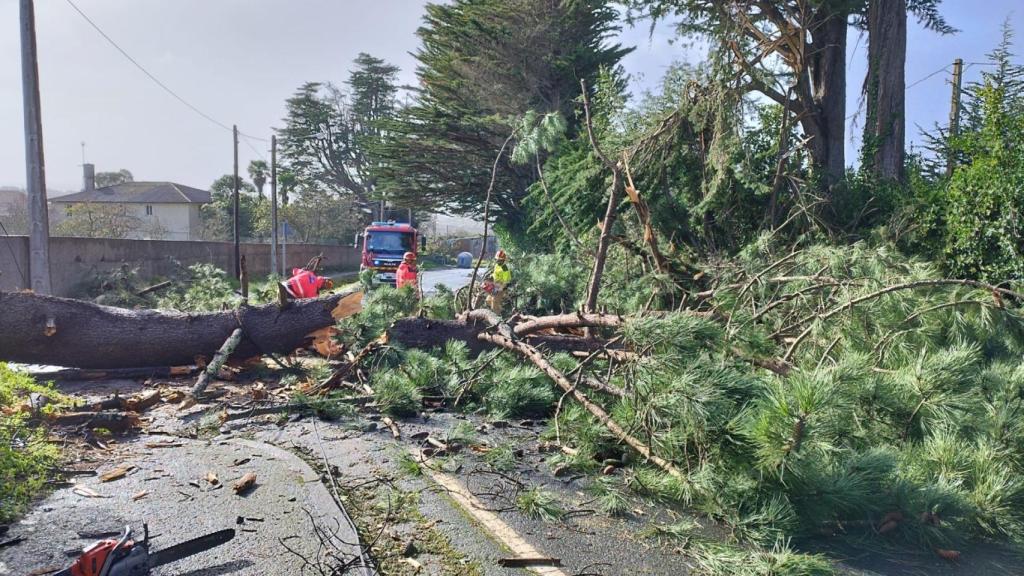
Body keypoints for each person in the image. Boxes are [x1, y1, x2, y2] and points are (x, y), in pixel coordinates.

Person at [487, 249, 512, 313]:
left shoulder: (505, 268)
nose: (498, 261)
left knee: (494, 304)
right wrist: (491, 276)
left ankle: (497, 318)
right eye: (497, 260)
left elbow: (506, 281)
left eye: (500, 260)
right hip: (495, 285)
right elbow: (495, 274)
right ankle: (502, 311)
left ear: (503, 260)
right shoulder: (496, 265)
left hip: (502, 287)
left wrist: (500, 288)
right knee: (488, 300)